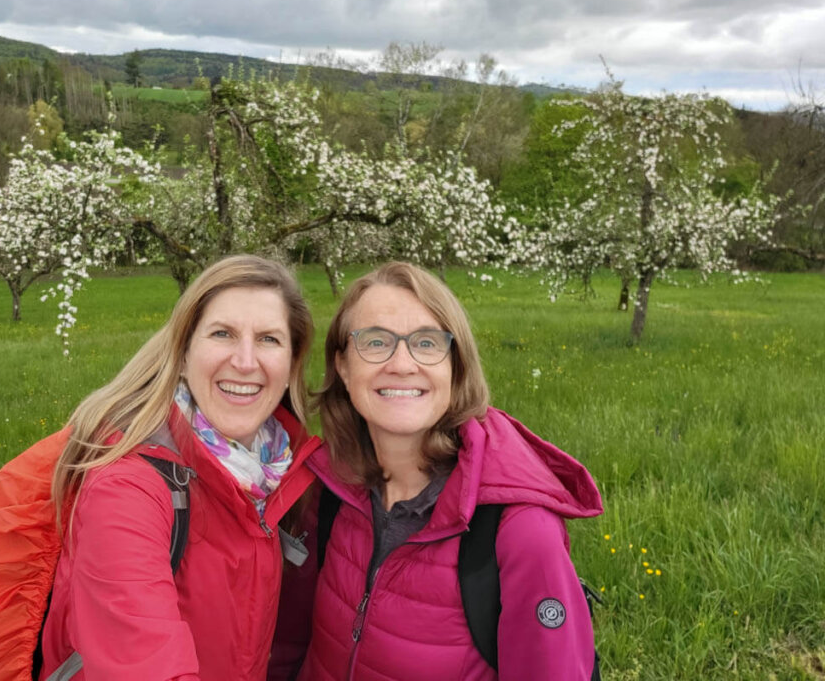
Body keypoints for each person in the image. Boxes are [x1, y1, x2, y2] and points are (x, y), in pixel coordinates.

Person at [296, 261, 603, 681]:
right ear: (344, 366)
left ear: (456, 367)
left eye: (425, 343)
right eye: (375, 341)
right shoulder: (329, 489)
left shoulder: (520, 531)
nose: (402, 364)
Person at [39, 255, 321, 681]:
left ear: (291, 365)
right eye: (222, 333)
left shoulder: (284, 473)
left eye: (268, 339)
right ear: (184, 355)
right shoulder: (127, 488)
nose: (245, 361)